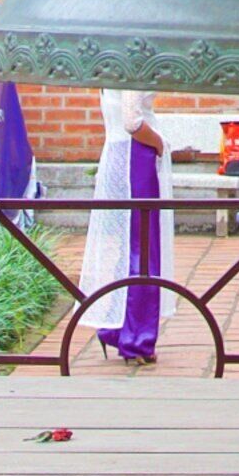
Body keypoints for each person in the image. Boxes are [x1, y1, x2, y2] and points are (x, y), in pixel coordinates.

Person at [86, 89, 169, 365]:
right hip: (136, 153)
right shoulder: (132, 64)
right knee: (144, 248)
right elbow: (132, 121)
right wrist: (159, 143)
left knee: (131, 245)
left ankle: (119, 327)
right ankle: (136, 338)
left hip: (118, 149)